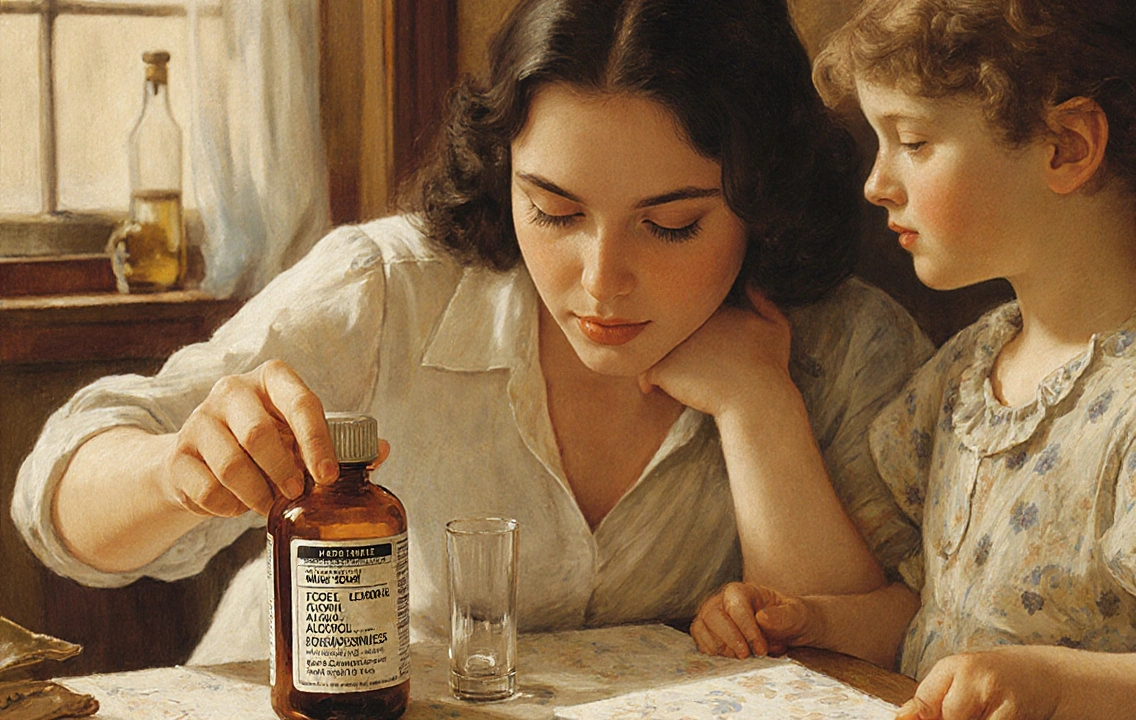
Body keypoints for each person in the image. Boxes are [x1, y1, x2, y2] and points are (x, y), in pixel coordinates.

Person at [11, 0, 932, 665]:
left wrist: (755, 402)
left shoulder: (843, 344)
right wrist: (176, 469)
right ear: (506, 179)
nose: (601, 281)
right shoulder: (388, 288)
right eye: (555, 212)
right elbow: (58, 505)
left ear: (759, 198)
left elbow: (855, 654)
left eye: (672, 224)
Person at [689, 0, 1136, 718]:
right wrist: (811, 620)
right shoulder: (973, 365)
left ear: (1066, 147)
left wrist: (1049, 686)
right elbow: (931, 613)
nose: (876, 182)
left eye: (912, 141)